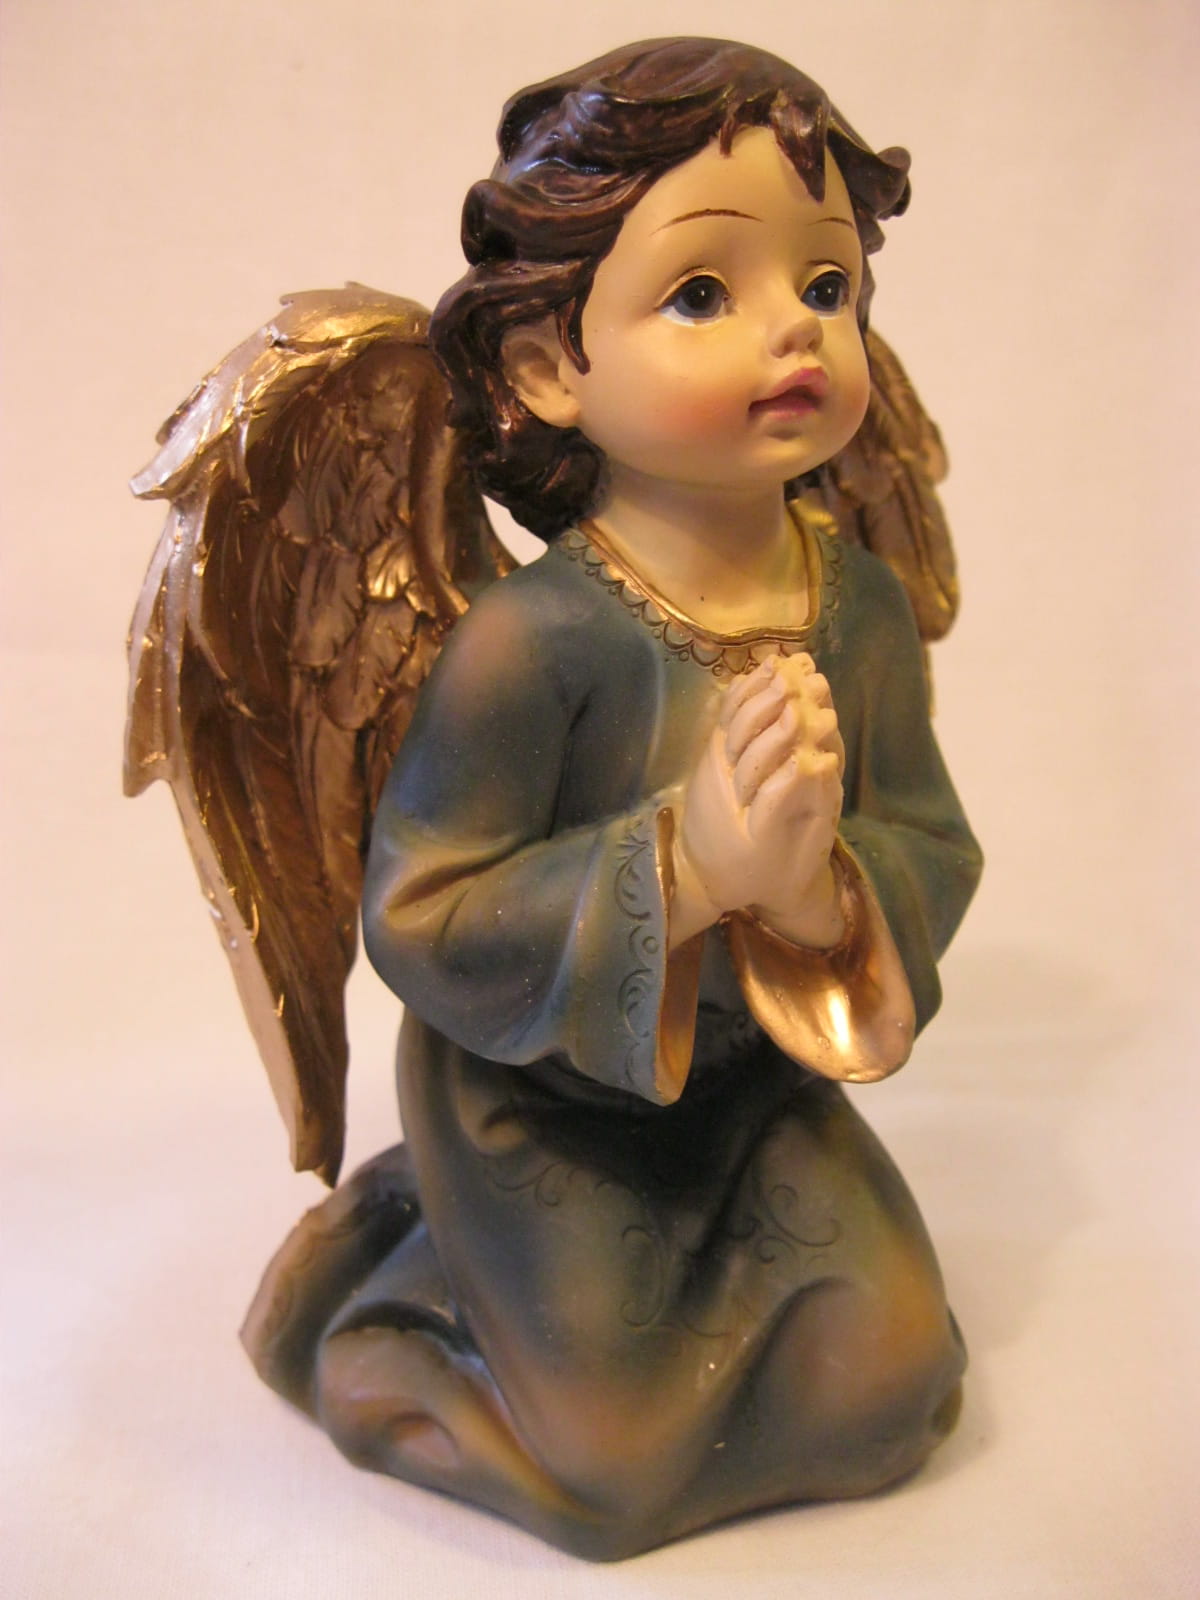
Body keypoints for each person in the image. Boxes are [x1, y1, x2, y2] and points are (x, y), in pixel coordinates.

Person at [234, 38, 982, 1559]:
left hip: (754, 1094)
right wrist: (687, 868)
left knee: (893, 1388)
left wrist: (815, 894)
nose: (796, 328)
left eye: (827, 285)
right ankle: (384, 1323)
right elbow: (424, 912)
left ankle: (481, 1284)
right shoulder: (532, 645)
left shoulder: (858, 610)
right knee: (624, 1469)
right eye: (703, 292)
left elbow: (929, 838)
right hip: (540, 1110)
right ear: (547, 367)